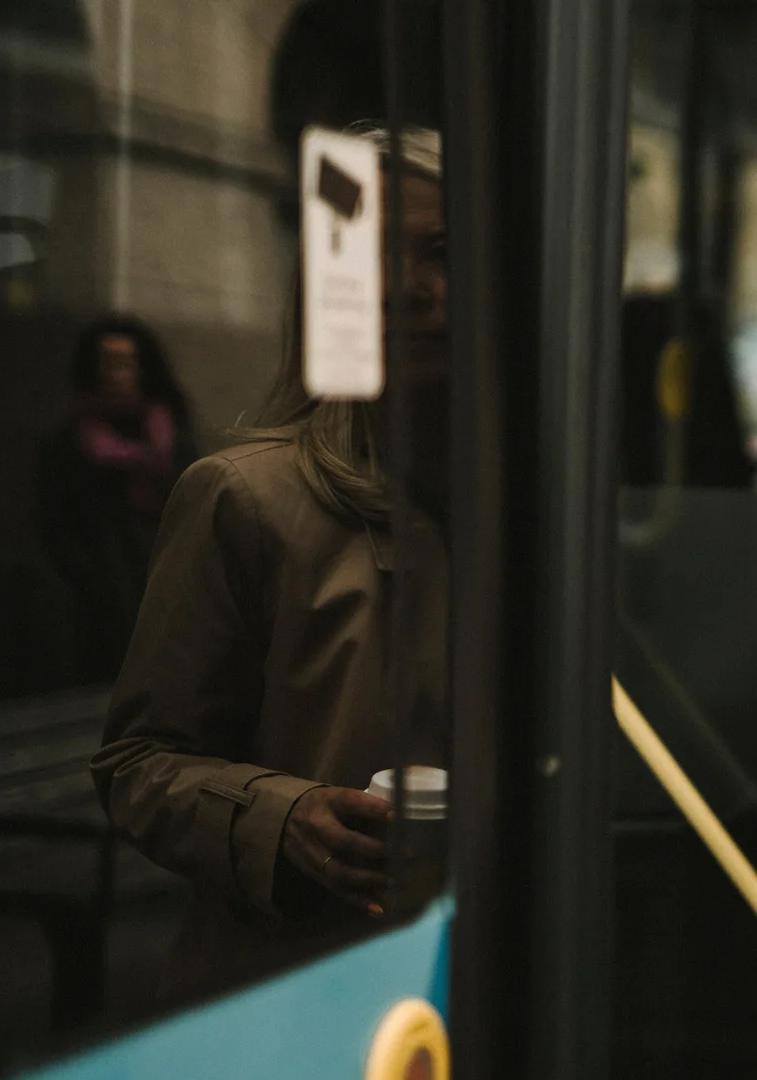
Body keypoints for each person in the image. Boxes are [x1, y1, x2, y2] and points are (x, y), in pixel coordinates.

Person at [90, 126, 449, 1005]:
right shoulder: (248, 497)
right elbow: (138, 763)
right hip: (301, 993)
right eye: (368, 256)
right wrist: (283, 822)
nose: (405, 286)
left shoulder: (541, 509)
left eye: (440, 252)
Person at [37, 316, 198, 684]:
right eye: (106, 363)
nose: (115, 373)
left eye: (125, 362)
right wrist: (90, 579)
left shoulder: (173, 439)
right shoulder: (68, 446)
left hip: (170, 599)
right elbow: (54, 526)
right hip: (101, 609)